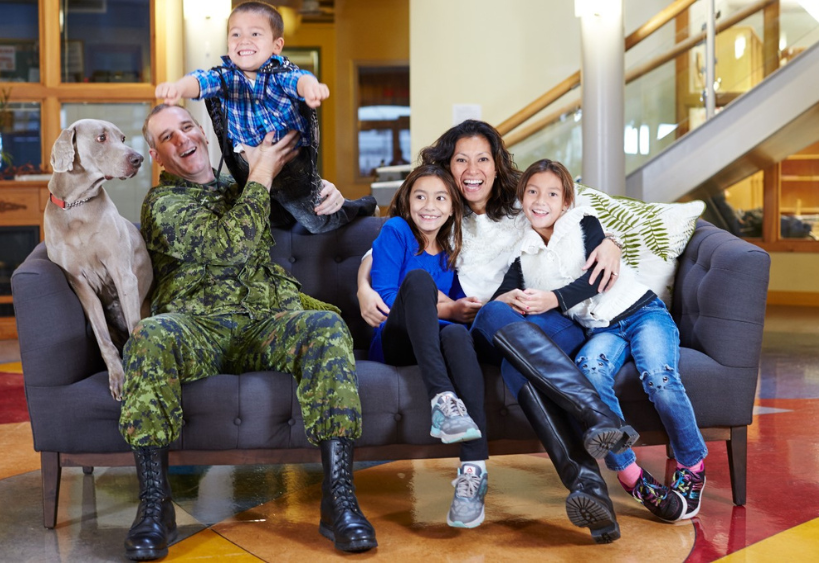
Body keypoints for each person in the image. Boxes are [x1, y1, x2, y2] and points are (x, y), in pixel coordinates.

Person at [118, 104, 377, 561]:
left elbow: (313, 211)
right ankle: (155, 506)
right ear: (158, 158)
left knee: (324, 325)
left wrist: (332, 195)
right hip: (197, 327)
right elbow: (228, 248)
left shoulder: (241, 185)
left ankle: (338, 499)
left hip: (264, 321)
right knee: (150, 335)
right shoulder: (162, 203)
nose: (181, 140)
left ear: (202, 132)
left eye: (186, 127)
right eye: (166, 138)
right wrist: (260, 176)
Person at [357, 119, 635, 544]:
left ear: (497, 164)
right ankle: (592, 463)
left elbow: (577, 210)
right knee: (502, 343)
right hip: (490, 335)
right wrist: (362, 285)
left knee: (508, 348)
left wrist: (611, 242)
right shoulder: (446, 219)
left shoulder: (522, 203)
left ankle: (592, 466)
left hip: (546, 322)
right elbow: (389, 255)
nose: (472, 169)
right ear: (448, 169)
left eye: (482, 159)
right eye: (461, 160)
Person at [492, 158, 707, 523]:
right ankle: (631, 475)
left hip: (642, 313)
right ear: (521, 197)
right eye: (532, 191)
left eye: (551, 193)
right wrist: (503, 301)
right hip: (601, 330)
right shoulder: (522, 253)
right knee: (589, 372)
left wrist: (552, 300)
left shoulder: (584, 223)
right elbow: (502, 293)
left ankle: (692, 464)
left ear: (565, 202)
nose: (540, 200)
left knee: (660, 377)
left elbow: (599, 278)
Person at [155, 1, 375, 234]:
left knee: (315, 221)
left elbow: (299, 79)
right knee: (272, 220)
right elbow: (200, 81)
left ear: (276, 45)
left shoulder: (278, 75)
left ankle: (363, 208)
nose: (244, 40)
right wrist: (178, 88)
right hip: (246, 162)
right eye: (236, 34)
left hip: (288, 160)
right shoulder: (225, 77)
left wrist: (311, 88)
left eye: (255, 33)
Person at [369, 164, 488, 528]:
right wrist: (449, 308)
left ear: (453, 207)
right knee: (418, 281)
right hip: (393, 338)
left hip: (432, 339)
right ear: (407, 200)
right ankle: (441, 399)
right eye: (420, 196)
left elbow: (453, 316)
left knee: (455, 335)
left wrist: (462, 308)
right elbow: (390, 298)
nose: (429, 206)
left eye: (440, 198)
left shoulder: (451, 249)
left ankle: (475, 469)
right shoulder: (396, 230)